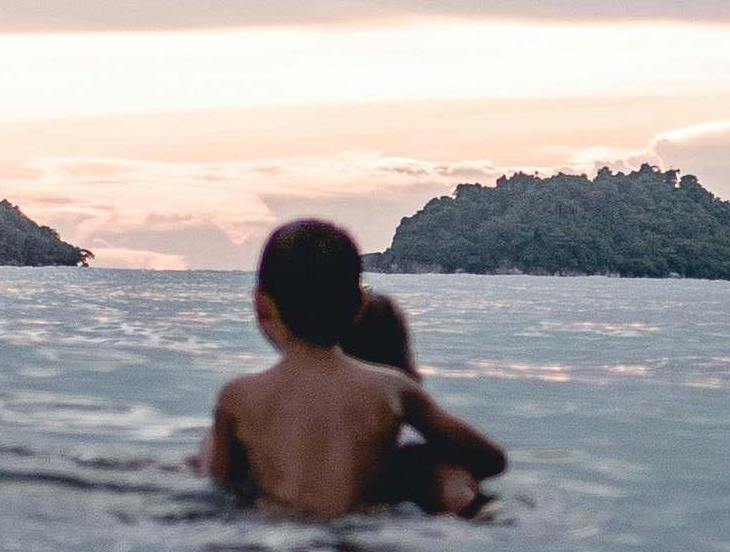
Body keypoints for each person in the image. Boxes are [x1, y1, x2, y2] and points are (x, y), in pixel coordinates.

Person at [200, 219, 507, 519]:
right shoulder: (393, 388)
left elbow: (218, 487)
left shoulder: (237, 395)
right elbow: (490, 460)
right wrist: (411, 461)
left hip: (271, 539)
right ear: (360, 304)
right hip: (360, 540)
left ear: (260, 304)